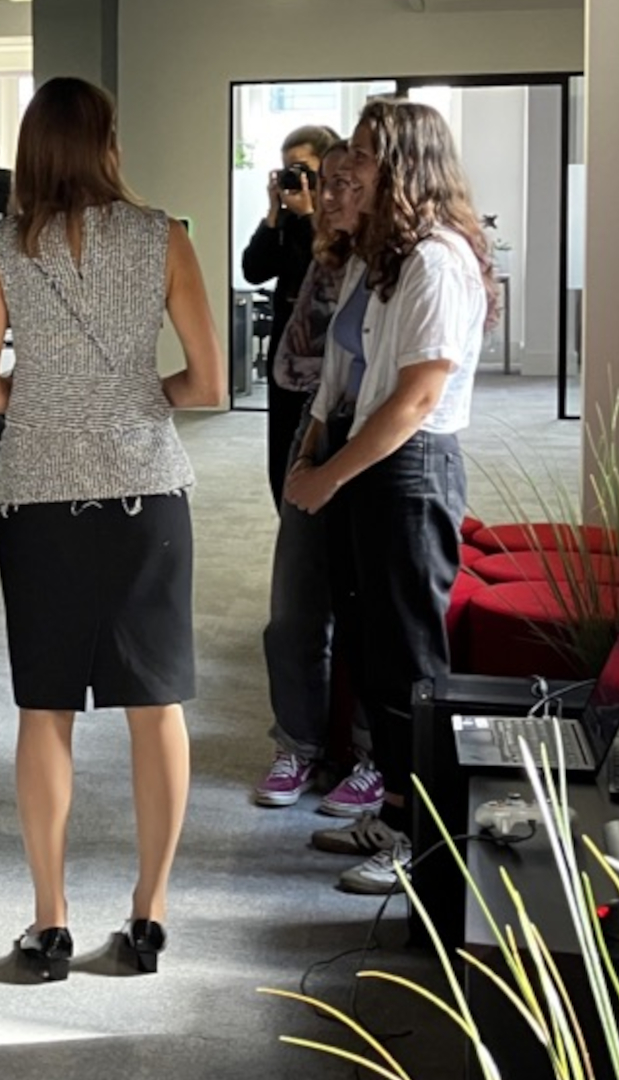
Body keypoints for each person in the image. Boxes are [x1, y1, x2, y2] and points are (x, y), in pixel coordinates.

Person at [0, 76, 226, 981]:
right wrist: (133, 401)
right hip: (147, 495)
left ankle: (50, 923)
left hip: (39, 498)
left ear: (32, 150)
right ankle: (149, 917)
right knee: (157, 709)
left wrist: (54, 405)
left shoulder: (2, 248)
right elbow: (210, 384)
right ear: (108, 141)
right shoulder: (166, 240)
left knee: (46, 708)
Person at [285, 98, 496, 895]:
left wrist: (329, 476)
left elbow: (413, 399)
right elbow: (349, 380)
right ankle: (400, 811)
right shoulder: (392, 258)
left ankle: (425, 840)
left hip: (407, 473)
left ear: (405, 163)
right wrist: (323, 459)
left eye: (367, 154)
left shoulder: (438, 260)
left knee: (412, 668)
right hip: (371, 467)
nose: (350, 168)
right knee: (377, 658)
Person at [252, 140, 383, 818]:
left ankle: (368, 757)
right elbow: (257, 273)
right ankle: (298, 745)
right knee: (293, 607)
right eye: (320, 183)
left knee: (367, 613)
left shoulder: (400, 264)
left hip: (377, 442)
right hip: (312, 418)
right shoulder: (328, 251)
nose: (328, 196)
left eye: (343, 185)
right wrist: (284, 216)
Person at [242, 125, 338, 506]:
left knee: (313, 452)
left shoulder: (337, 220)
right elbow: (253, 269)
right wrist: (272, 215)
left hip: (322, 360)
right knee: (281, 457)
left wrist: (307, 217)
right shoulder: (285, 220)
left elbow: (322, 269)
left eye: (302, 169)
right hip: (286, 355)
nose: (293, 178)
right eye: (286, 169)